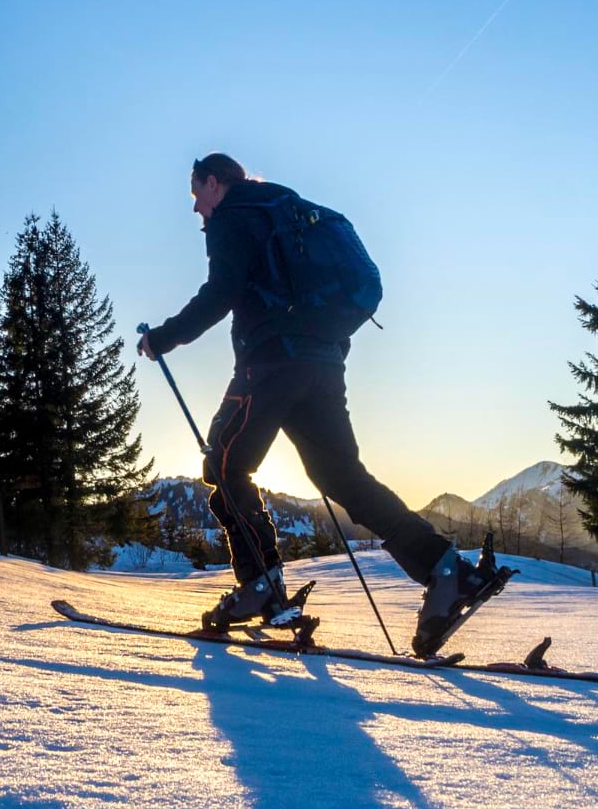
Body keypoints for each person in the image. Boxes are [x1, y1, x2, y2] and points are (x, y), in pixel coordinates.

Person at [137, 152, 497, 657]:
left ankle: (260, 586)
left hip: (269, 365)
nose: (197, 209)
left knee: (224, 462)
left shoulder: (234, 217)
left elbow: (221, 293)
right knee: (344, 479)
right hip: (324, 366)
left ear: (214, 183)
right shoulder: (287, 210)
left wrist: (163, 338)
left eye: (196, 194)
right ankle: (445, 570)